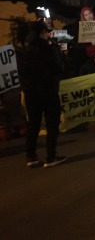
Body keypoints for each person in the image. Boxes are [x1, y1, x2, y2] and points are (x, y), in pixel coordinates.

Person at [15, 20, 67, 168]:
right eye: (46, 32)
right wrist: (57, 52)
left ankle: (31, 156)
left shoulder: (22, 49)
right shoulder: (47, 49)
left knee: (33, 123)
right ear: (42, 33)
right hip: (47, 90)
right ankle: (51, 156)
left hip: (30, 92)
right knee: (51, 123)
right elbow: (58, 69)